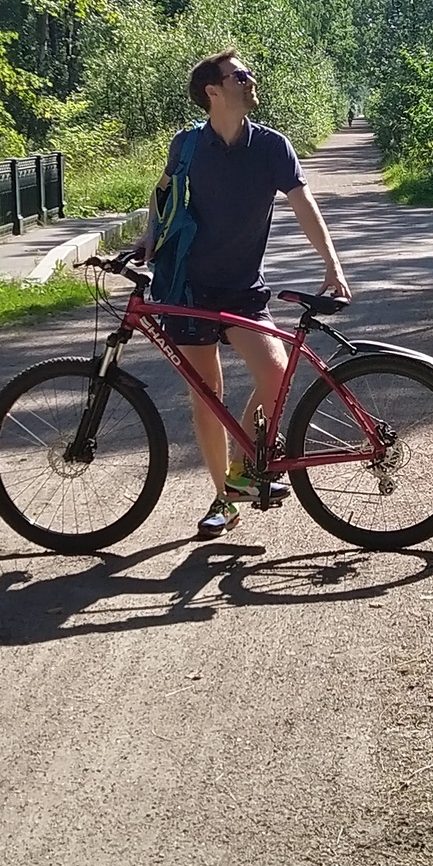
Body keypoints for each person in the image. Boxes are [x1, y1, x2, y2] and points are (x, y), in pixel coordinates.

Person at [136, 51, 351, 538]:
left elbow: (303, 203)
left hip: (243, 288)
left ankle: (241, 471)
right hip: (189, 286)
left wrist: (332, 264)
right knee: (207, 395)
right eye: (241, 75)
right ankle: (223, 501)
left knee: (276, 372)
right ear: (213, 91)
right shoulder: (187, 144)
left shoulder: (272, 147)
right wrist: (152, 233)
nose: (251, 80)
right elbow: (164, 191)